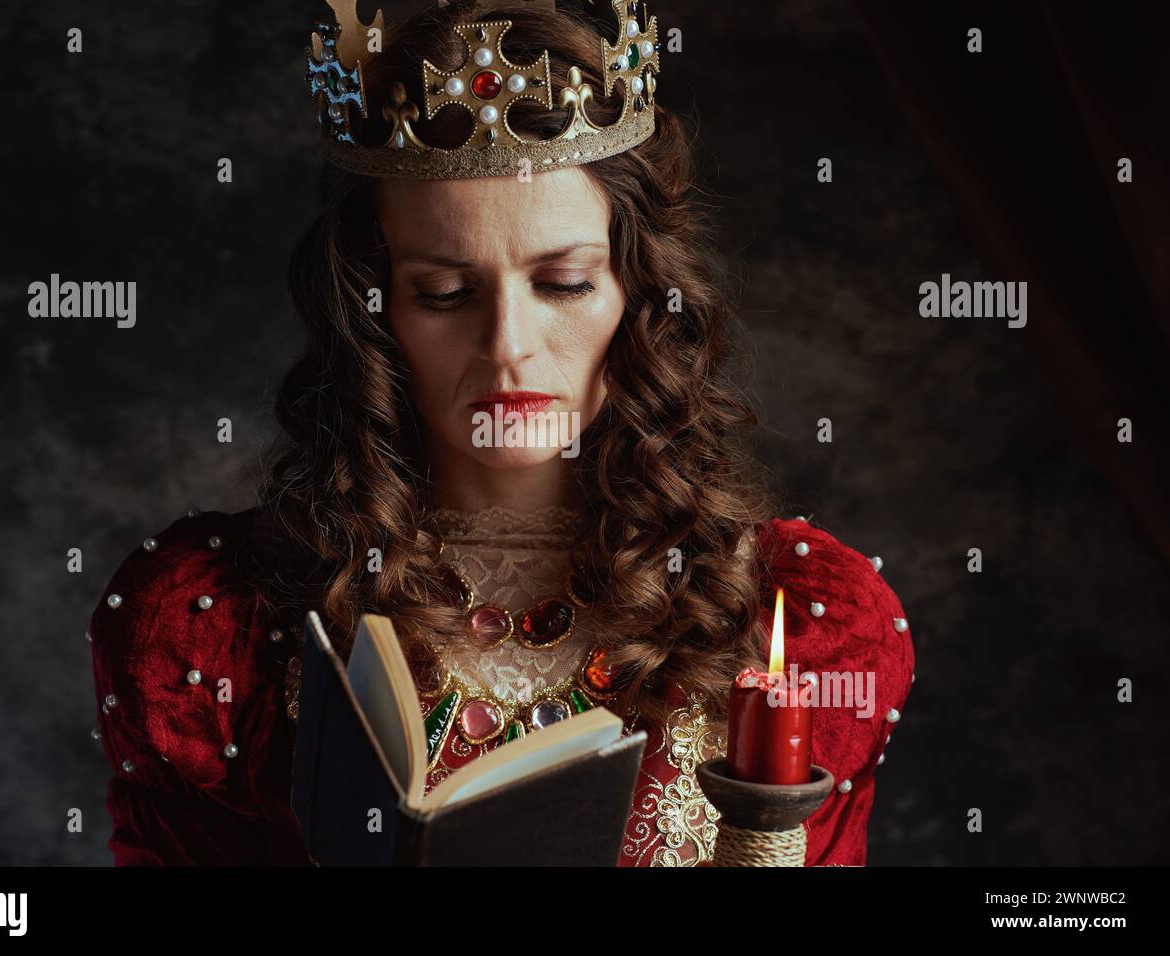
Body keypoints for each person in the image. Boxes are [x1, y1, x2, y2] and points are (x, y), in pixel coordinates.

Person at [88, 0, 914, 866]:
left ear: (636, 295)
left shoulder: (802, 623)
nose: (507, 346)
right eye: (446, 293)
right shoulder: (211, 626)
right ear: (373, 315)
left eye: (562, 283)